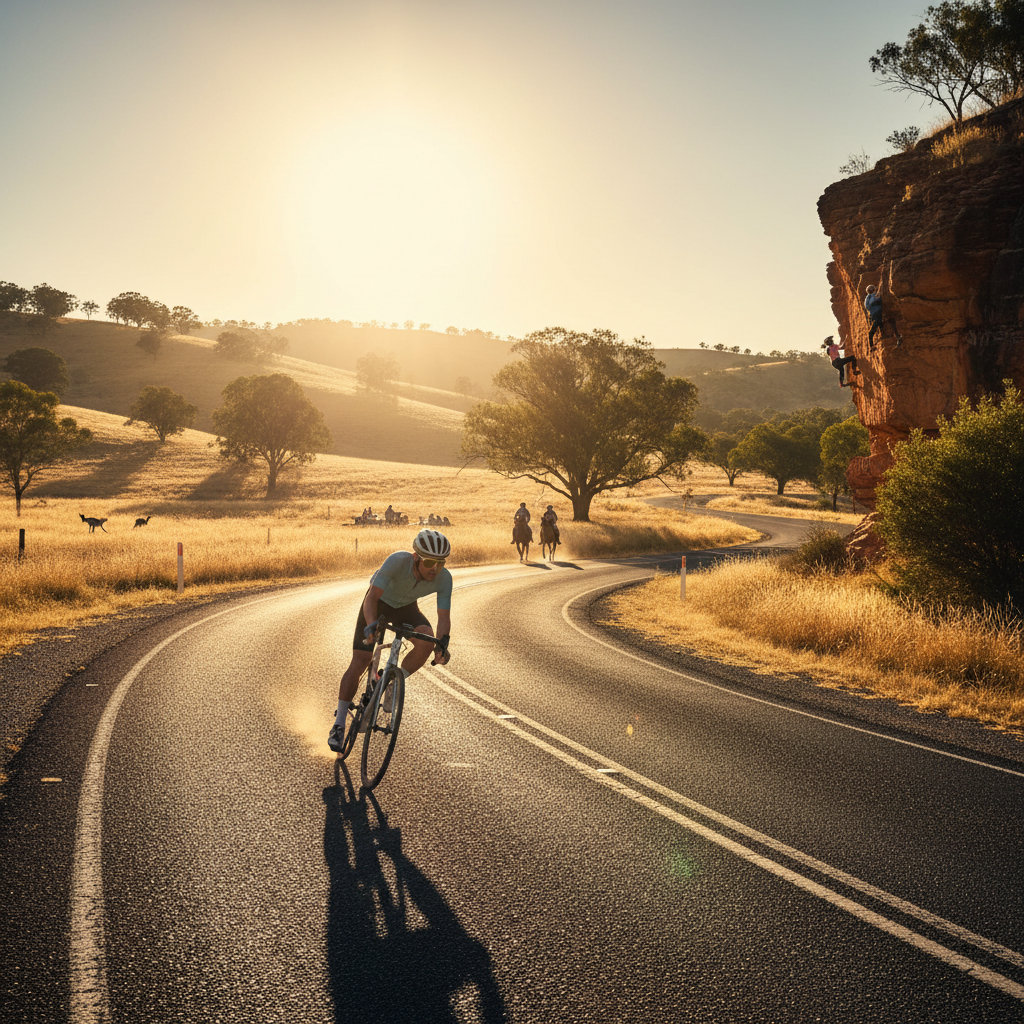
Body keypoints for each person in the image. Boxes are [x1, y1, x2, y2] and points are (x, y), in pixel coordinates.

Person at [328, 529, 452, 752]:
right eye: (429, 562)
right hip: (378, 604)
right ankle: (338, 725)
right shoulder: (397, 561)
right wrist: (371, 626)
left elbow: (443, 617)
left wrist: (442, 645)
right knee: (361, 659)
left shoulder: (444, 579)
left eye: (440, 563)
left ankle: (392, 681)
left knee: (427, 639)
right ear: (416, 558)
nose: (434, 568)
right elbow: (371, 598)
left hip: (406, 609)